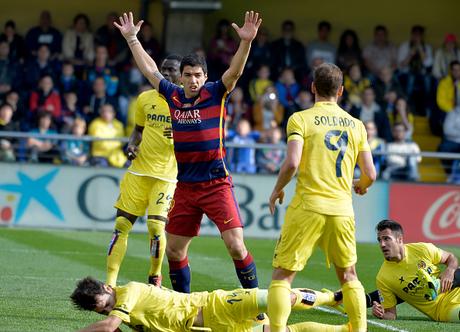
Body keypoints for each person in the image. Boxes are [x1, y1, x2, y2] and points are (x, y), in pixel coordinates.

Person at [114, 11, 262, 293]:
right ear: (180, 78)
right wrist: (132, 38)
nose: (193, 81)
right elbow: (150, 71)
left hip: (216, 184)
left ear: (205, 77)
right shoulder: (172, 96)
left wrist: (246, 43)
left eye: (198, 76)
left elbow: (236, 71)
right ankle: (183, 305)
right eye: (188, 76)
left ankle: (255, 303)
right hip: (186, 187)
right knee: (174, 251)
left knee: (235, 245)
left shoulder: (217, 92)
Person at [267, 63, 377, 332]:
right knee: (349, 275)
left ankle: (278, 329)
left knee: (283, 275)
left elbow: (292, 163)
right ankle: (359, 329)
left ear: (313, 87)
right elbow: (371, 173)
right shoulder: (357, 125)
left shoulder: (300, 119)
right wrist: (361, 185)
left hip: (307, 207)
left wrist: (276, 189)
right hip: (342, 210)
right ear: (341, 91)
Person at [106, 55, 181, 288]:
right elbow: (137, 131)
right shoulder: (144, 99)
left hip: (166, 176)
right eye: (163, 69)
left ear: (181, 75)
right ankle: (109, 283)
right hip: (138, 172)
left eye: (171, 70)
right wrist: (131, 145)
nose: (165, 73)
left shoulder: (185, 104)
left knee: (156, 226)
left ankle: (154, 277)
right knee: (121, 226)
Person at [70, 276, 343, 332]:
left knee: (280, 297)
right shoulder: (131, 318)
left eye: (103, 303)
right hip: (218, 328)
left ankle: (332, 298)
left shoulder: (129, 291)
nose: (107, 310)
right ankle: (347, 329)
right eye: (102, 310)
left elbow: (107, 327)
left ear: (107, 288)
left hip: (218, 304)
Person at [371, 220, 460, 322]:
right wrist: (381, 314)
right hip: (443, 309)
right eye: (379, 240)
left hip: (456, 290)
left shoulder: (422, 249)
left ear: (399, 239)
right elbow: (391, 314)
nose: (382, 244)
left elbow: (450, 257)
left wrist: (450, 270)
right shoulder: (383, 278)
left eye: (386, 239)